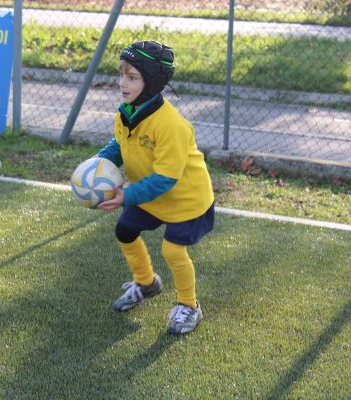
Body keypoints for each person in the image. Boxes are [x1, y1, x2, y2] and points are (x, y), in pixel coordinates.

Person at [96, 40, 215, 335]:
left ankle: (189, 305)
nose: (122, 83)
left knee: (173, 250)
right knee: (125, 230)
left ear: (153, 82)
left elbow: (165, 179)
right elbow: (120, 145)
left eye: (132, 77)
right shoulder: (126, 112)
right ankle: (147, 282)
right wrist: (97, 164)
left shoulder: (172, 126)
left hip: (187, 200)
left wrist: (126, 195)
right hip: (150, 195)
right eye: (121, 74)